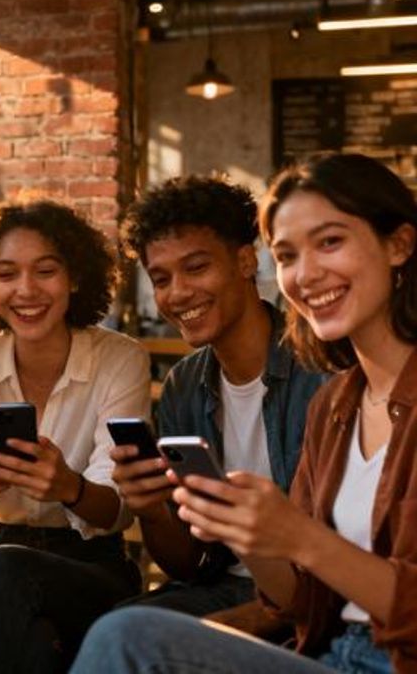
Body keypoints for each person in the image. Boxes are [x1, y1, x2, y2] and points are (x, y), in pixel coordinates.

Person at [71, 152, 417, 674]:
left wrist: (299, 536)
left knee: (128, 637)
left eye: (330, 242)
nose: (306, 274)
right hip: (330, 652)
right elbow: (298, 602)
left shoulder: (317, 384)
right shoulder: (337, 406)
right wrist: (245, 529)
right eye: (288, 255)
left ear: (399, 244)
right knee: (124, 630)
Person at [0, 196, 149, 674]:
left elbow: (117, 511)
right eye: (6, 274)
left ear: (75, 277)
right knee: (24, 631)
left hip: (91, 562)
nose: (26, 290)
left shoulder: (120, 359)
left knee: (2, 577)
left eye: (45, 271)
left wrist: (69, 487)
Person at [111, 175, 323, 615]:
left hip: (316, 600)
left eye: (196, 267)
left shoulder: (320, 369)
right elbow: (190, 565)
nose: (177, 293)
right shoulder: (184, 386)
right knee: (117, 624)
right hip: (223, 589)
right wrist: (152, 509)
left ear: (246, 261)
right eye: (161, 278)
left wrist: (248, 622)